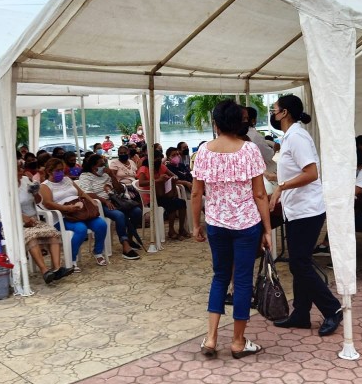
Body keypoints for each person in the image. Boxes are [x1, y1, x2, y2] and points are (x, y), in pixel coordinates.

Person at [192, 100, 271, 359]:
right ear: (240, 123)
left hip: (216, 223)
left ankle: (212, 338)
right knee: (242, 281)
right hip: (247, 225)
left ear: (215, 123)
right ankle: (238, 341)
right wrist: (267, 229)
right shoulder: (249, 150)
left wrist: (195, 224)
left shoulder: (204, 151)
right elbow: (260, 194)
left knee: (219, 277)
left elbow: (196, 193)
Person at [268, 94, 342, 337]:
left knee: (299, 263)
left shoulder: (297, 137)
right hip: (297, 209)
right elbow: (295, 172)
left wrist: (281, 187)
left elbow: (311, 173)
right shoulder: (290, 137)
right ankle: (300, 313)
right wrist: (274, 180)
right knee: (299, 263)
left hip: (307, 210)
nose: (273, 113)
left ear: (285, 113)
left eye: (275, 109)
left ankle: (333, 308)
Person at [40, 158, 109, 270]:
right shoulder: (45, 186)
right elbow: (47, 203)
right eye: (57, 171)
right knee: (81, 229)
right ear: (49, 171)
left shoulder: (67, 180)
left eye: (62, 170)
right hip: (63, 217)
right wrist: (65, 208)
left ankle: (98, 252)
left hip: (80, 211)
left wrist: (91, 201)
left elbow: (81, 192)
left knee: (101, 225)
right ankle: (72, 259)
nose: (61, 173)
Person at [15, 164, 73, 283]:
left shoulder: (26, 180)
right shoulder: (1, 187)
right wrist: (21, 217)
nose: (22, 170)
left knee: (53, 233)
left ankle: (56, 269)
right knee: (32, 238)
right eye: (19, 168)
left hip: (33, 220)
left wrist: (35, 193)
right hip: (14, 224)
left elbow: (38, 201)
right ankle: (45, 271)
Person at [78, 153, 142, 259]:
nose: (105, 166)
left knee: (137, 212)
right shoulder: (85, 176)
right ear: (94, 167)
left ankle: (130, 238)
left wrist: (112, 176)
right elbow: (87, 193)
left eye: (105, 164)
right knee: (119, 215)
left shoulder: (106, 175)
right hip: (98, 204)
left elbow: (119, 190)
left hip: (114, 200)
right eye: (101, 164)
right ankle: (125, 246)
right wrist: (104, 201)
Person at [138, 151, 189, 239]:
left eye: (159, 158)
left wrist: (172, 178)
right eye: (155, 158)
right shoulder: (144, 168)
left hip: (163, 195)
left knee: (182, 203)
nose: (157, 160)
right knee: (171, 205)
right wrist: (157, 180)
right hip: (151, 198)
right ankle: (171, 230)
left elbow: (174, 176)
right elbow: (141, 183)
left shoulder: (162, 166)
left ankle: (181, 228)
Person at [246, 106, 279, 185]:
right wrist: (275, 148)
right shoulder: (255, 136)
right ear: (254, 120)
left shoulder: (237, 136)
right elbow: (268, 155)